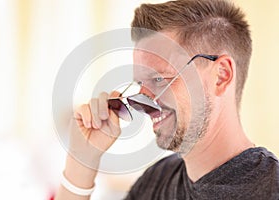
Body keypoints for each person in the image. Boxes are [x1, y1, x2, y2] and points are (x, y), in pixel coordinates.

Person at [55, 0, 279, 199]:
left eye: (159, 79)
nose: (144, 99)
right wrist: (81, 162)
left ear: (221, 75)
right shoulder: (157, 180)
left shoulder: (271, 189)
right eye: (141, 84)